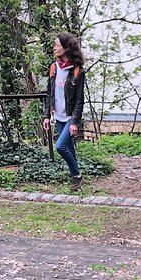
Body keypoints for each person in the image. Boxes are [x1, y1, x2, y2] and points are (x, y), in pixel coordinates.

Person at [46, 33, 87, 191]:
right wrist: (46, 116)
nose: (54, 48)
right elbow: (49, 93)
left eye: (57, 45)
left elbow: (79, 99)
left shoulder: (77, 71)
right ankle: (76, 180)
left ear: (66, 48)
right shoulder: (53, 68)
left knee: (60, 147)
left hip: (70, 117)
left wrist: (75, 121)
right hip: (58, 116)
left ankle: (76, 175)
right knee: (68, 148)